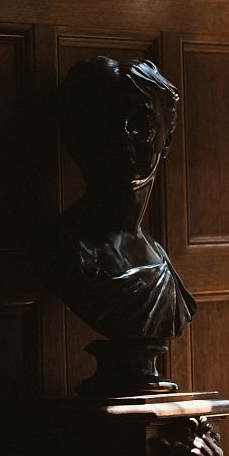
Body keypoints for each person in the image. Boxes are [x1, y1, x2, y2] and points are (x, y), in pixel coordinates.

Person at [40, 57, 195, 341]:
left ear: (167, 139)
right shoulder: (65, 251)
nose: (124, 136)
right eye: (108, 122)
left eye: (140, 123)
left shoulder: (159, 259)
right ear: (80, 137)